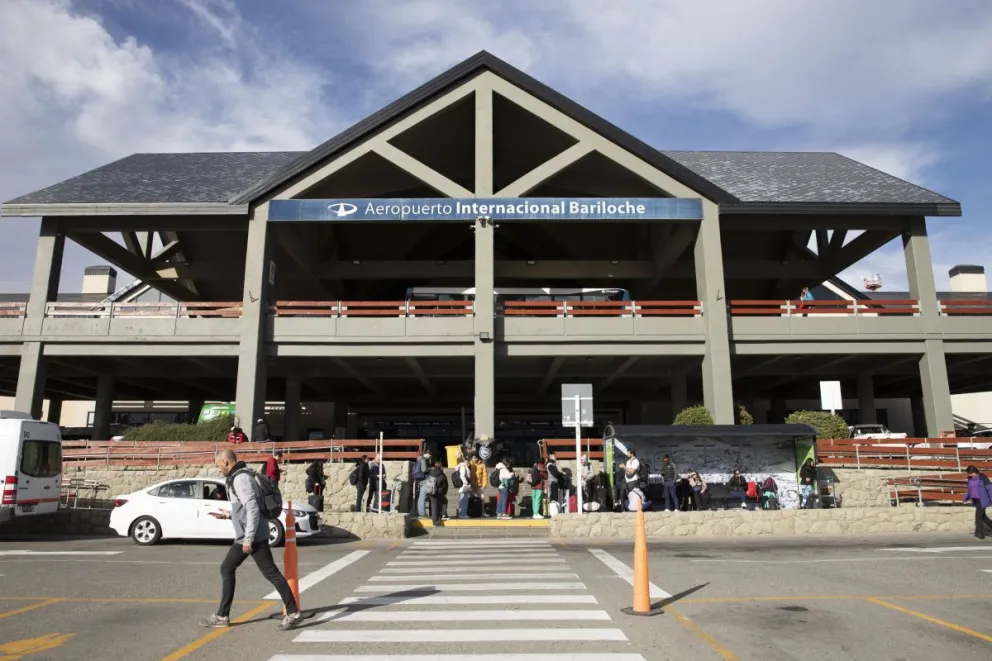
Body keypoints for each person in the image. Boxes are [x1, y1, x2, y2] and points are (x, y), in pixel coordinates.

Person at [199, 449, 301, 630]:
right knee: (234, 569)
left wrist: (248, 538)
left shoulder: (240, 479)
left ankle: (291, 612)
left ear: (225, 462)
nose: (217, 469)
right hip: (250, 535)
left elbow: (253, 508)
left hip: (251, 537)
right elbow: (245, 509)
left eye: (218, 465)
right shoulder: (238, 477)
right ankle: (223, 615)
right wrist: (230, 515)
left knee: (264, 573)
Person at [963, 465, 992, 540]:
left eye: (971, 473)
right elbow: (969, 490)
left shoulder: (982, 477)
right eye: (969, 474)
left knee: (978, 517)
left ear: (975, 472)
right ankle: (980, 533)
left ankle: (980, 534)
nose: (970, 475)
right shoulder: (970, 479)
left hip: (982, 500)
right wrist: (965, 499)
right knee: (983, 517)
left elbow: (990, 489)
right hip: (975, 501)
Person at [427, 460, 448, 526]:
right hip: (438, 492)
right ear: (440, 466)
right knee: (438, 507)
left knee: (434, 507)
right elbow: (445, 485)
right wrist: (444, 492)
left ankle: (436, 519)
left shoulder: (431, 472)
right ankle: (437, 522)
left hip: (430, 491)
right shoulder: (442, 475)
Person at [470, 453, 489, 518]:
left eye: (475, 458)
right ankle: (471, 511)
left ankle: (482, 512)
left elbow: (485, 476)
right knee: (471, 499)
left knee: (482, 498)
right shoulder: (470, 464)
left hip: (479, 485)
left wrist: (484, 485)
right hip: (471, 486)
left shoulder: (482, 465)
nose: (474, 459)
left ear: (478, 458)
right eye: (473, 458)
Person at [414, 449, 432, 518]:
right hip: (423, 480)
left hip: (419, 479)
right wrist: (430, 469)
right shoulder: (423, 460)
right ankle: (422, 513)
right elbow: (424, 470)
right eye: (430, 455)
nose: (430, 456)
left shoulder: (419, 459)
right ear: (427, 454)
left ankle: (420, 512)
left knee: (421, 496)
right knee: (423, 496)